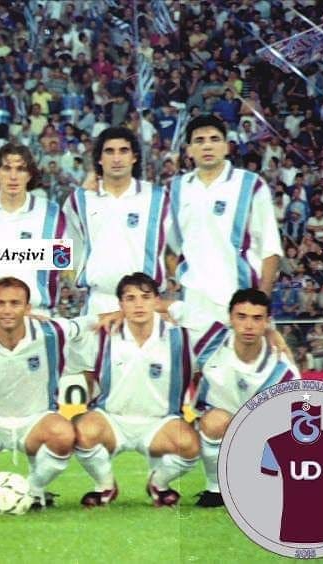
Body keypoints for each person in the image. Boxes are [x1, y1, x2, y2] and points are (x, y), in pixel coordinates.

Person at [0, 277, 97, 509]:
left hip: (35, 420)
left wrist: (122, 313)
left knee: (64, 434)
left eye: (15, 303)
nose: (7, 310)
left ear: (28, 308)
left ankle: (33, 490)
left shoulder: (51, 332)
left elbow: (88, 323)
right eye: (0, 303)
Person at [159, 288, 299, 507]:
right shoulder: (211, 336)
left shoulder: (283, 371)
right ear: (230, 317)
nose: (248, 325)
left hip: (258, 434)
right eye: (241, 316)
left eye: (257, 318)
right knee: (213, 423)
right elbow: (164, 305)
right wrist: (119, 314)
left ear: (267, 322)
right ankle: (216, 490)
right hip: (211, 425)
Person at [70, 273, 199, 508]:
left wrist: (173, 308)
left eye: (145, 297)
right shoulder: (103, 336)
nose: (138, 304)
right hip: (112, 419)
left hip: (160, 422)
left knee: (190, 446)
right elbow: (71, 334)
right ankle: (105, 486)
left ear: (157, 301)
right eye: (130, 298)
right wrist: (100, 317)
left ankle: (159, 484)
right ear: (120, 305)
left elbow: (216, 324)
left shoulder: (181, 337)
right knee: (80, 431)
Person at [169, 115, 282, 321]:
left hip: (241, 299)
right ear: (189, 150)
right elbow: (171, 248)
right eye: (199, 141)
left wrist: (261, 302)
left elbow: (270, 249)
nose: (207, 146)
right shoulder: (177, 188)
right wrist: (180, 281)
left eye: (214, 139)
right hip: (193, 301)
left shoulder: (250, 185)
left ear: (226, 147)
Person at [64, 127, 170, 314]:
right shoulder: (80, 200)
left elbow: (175, 248)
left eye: (123, 151)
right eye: (109, 151)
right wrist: (72, 281)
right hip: (99, 302)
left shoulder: (157, 198)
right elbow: (62, 248)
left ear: (134, 157)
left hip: (145, 303)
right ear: (99, 159)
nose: (117, 159)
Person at [0, 143, 64, 314]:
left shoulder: (52, 212)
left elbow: (61, 263)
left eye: (21, 169)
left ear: (30, 174)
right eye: (6, 168)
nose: (13, 176)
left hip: (35, 313)